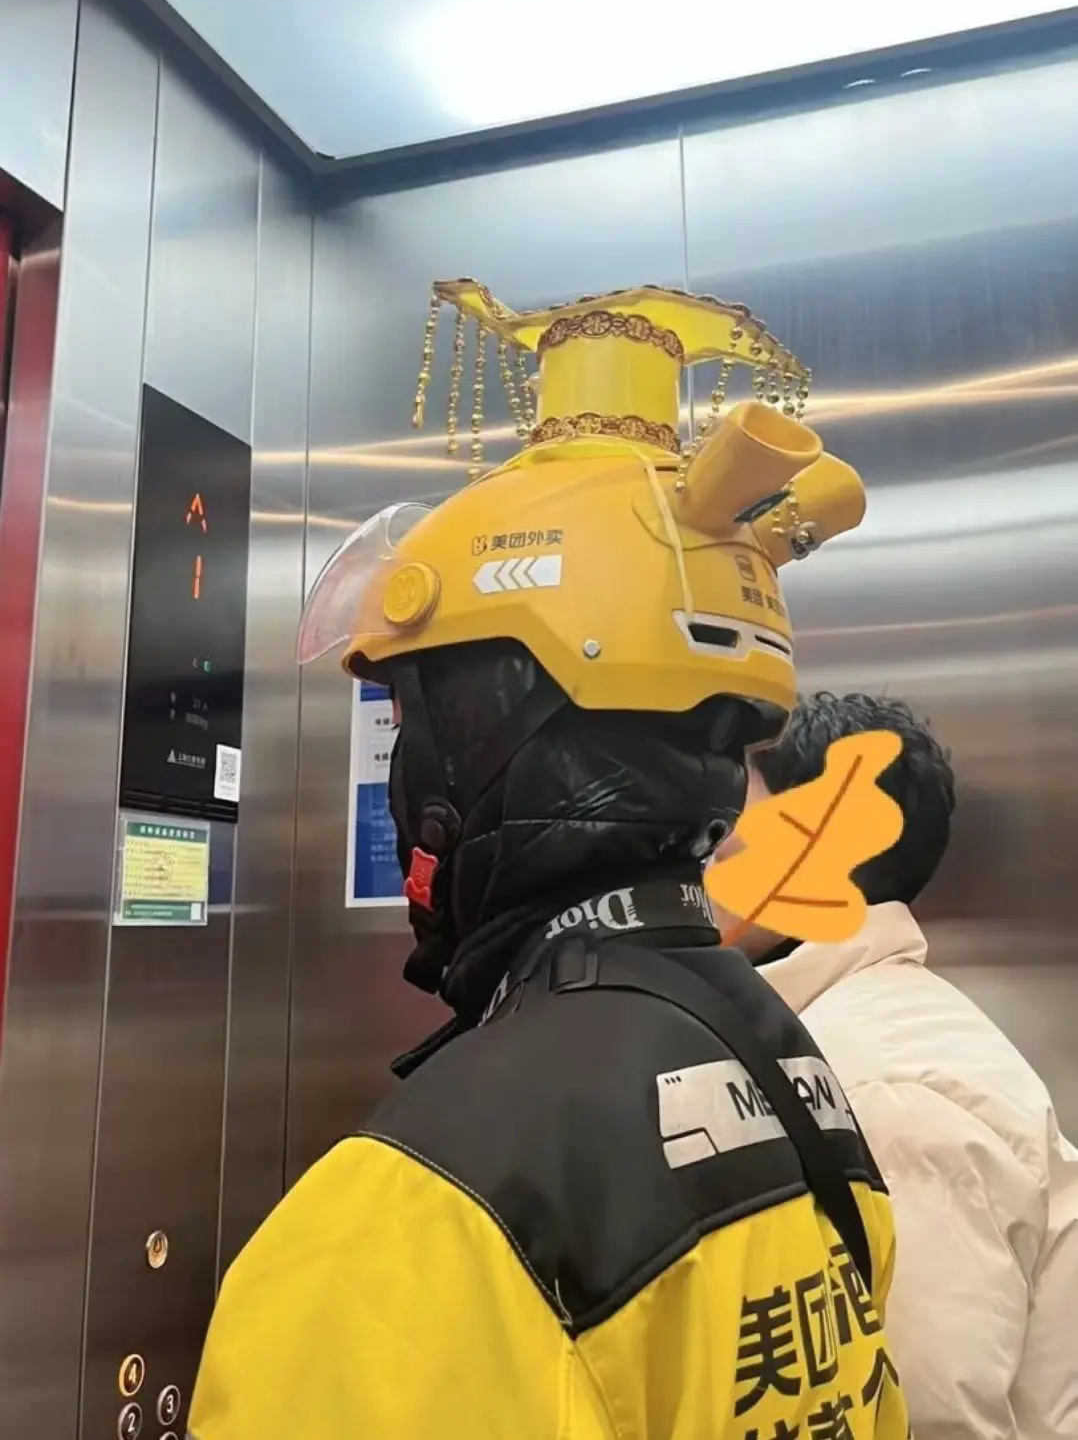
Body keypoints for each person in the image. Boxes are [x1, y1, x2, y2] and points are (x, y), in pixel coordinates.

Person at [189, 280, 909, 1440]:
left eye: (408, 726)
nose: (400, 781)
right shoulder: (794, 1077)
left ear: (487, 742)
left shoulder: (412, 1215)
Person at [710, 689, 1078, 1440]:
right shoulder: (837, 1033)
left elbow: (929, 1414)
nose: (708, 847)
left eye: (736, 818)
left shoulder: (883, 1088)